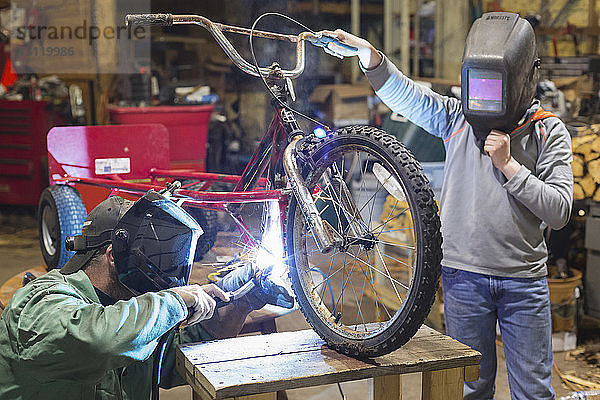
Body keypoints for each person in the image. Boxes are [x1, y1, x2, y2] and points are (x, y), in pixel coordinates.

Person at [322, 11, 573, 400]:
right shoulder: (456, 118)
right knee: (471, 390)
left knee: (535, 393)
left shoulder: (547, 130)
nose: (485, 102)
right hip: (463, 281)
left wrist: (509, 165)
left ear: (525, 76)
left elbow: (559, 210)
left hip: (524, 284)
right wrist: (371, 57)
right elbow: (408, 94)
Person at [0, 189, 293, 399]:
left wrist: (240, 299)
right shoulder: (39, 301)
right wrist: (176, 300)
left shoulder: (133, 316)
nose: (163, 274)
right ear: (114, 255)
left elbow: (176, 360)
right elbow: (100, 339)